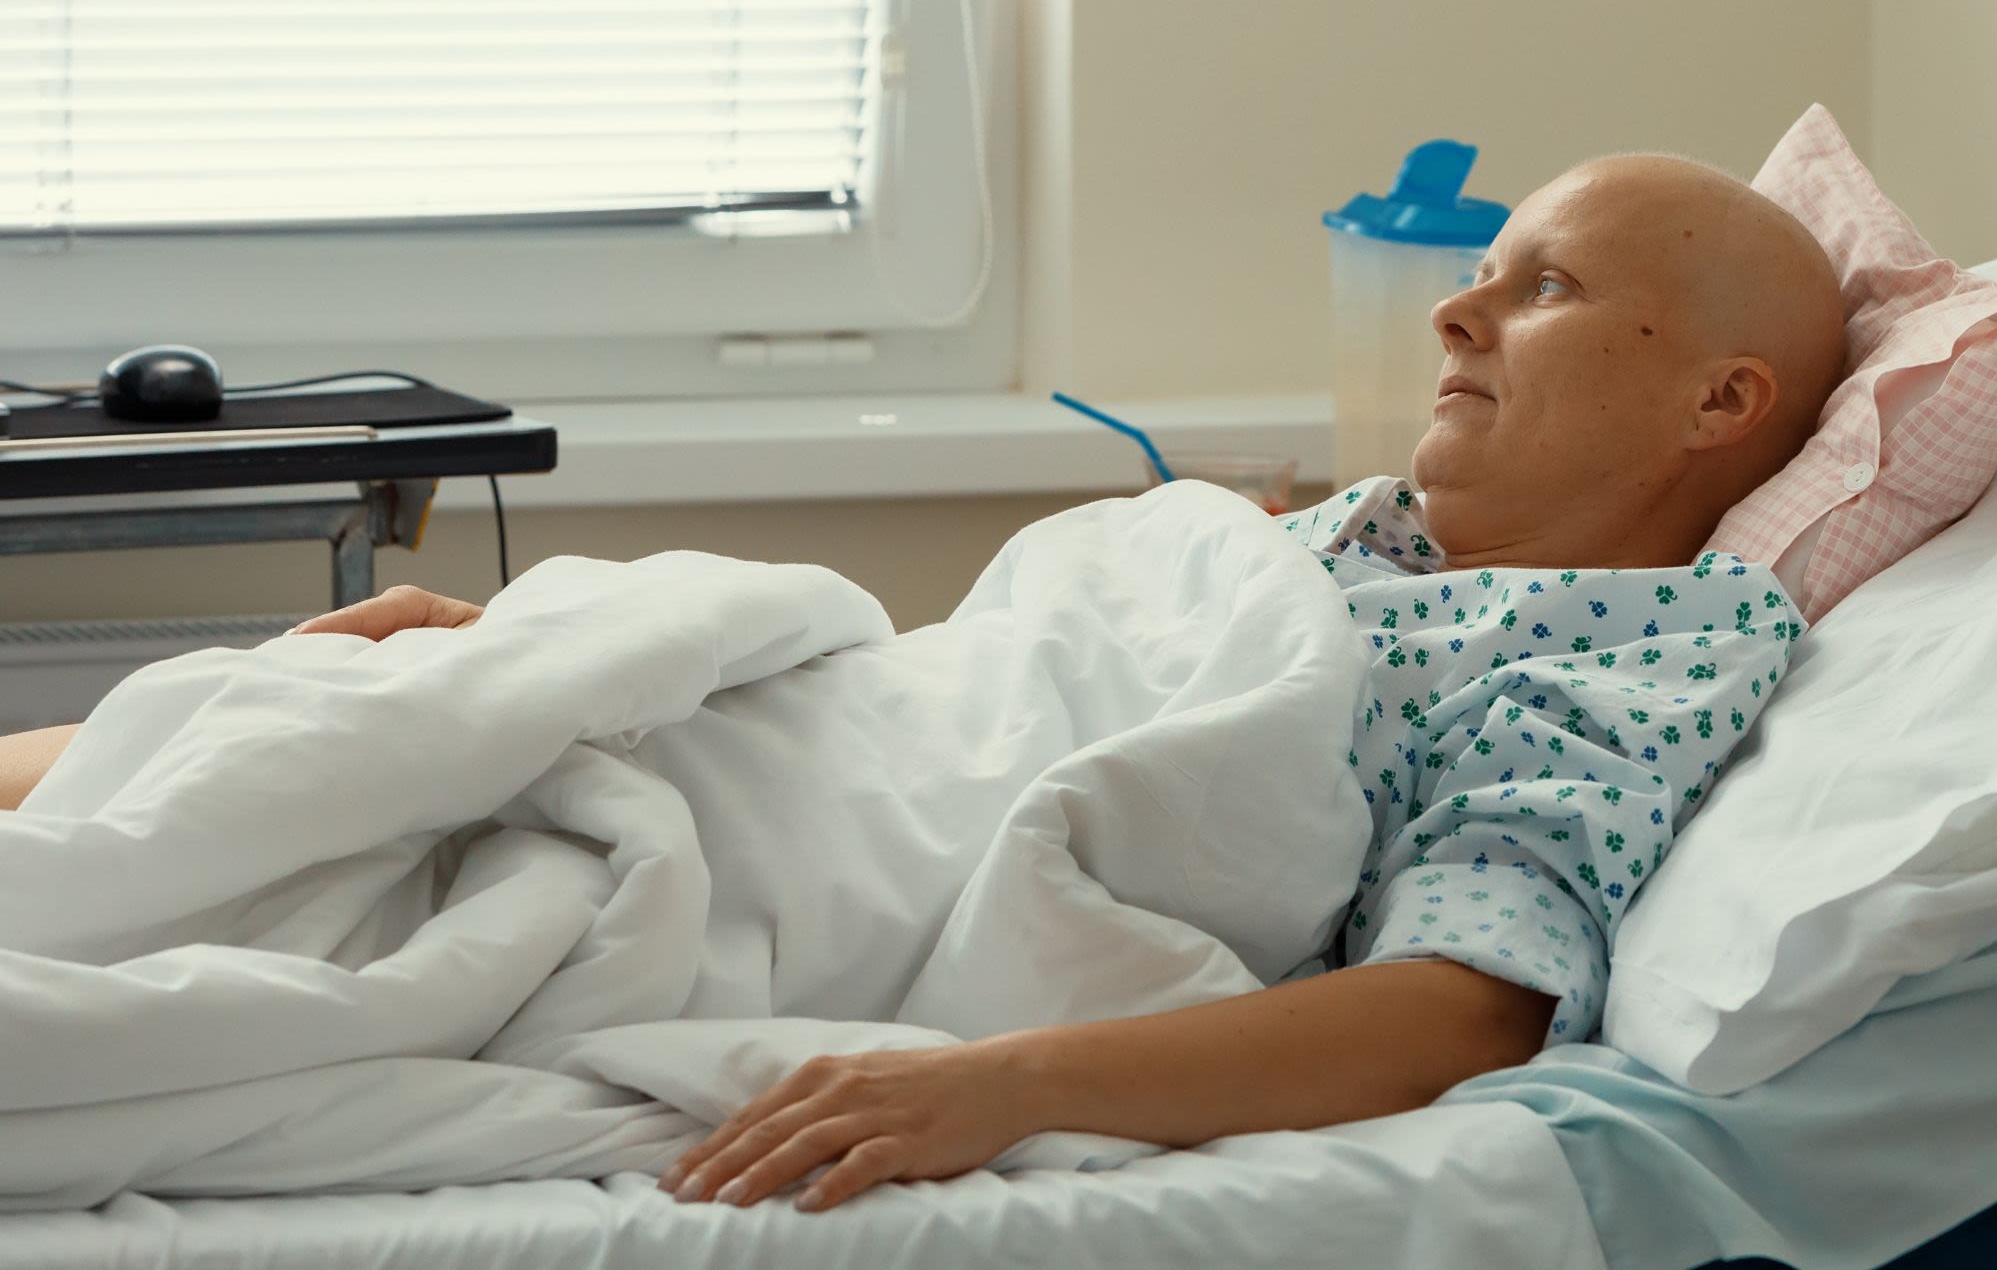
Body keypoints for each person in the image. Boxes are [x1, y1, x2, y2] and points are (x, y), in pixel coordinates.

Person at [0, 153, 1844, 1212]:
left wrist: (999, 1088)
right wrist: (562, 674)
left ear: (1720, 403)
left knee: (236, 869)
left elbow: (1463, 1011)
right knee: (277, 723)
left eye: (1544, 288)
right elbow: (974, 675)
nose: (1458, 307)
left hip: (798, 876)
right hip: (780, 736)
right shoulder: (1348, 535)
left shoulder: (1626, 657)